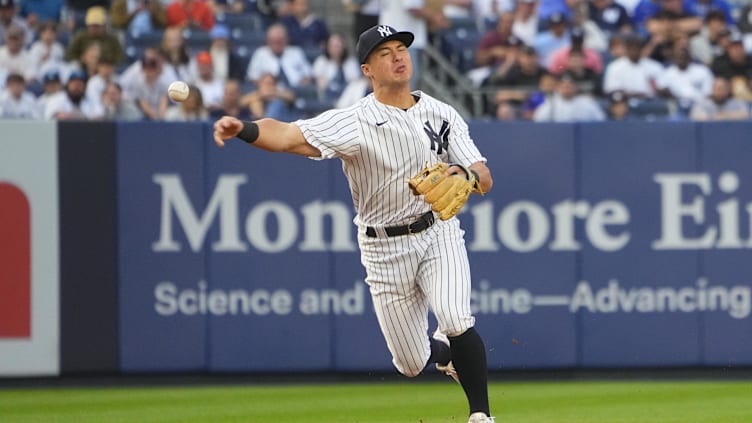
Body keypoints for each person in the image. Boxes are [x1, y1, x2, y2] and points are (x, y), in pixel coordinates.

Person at [212, 24, 495, 423]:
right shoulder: (356, 121)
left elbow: (483, 175)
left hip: (437, 231)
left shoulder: (441, 112)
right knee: (411, 363)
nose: (398, 56)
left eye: (401, 48)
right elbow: (290, 135)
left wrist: (466, 176)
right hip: (383, 248)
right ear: (367, 69)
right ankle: (444, 356)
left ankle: (481, 415)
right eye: (385, 53)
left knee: (454, 316)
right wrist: (243, 128)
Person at [533, 71, 606, 121]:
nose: (567, 89)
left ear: (576, 87)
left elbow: (600, 121)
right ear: (558, 87)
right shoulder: (550, 104)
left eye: (570, 86)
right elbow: (539, 123)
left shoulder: (587, 103)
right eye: (564, 86)